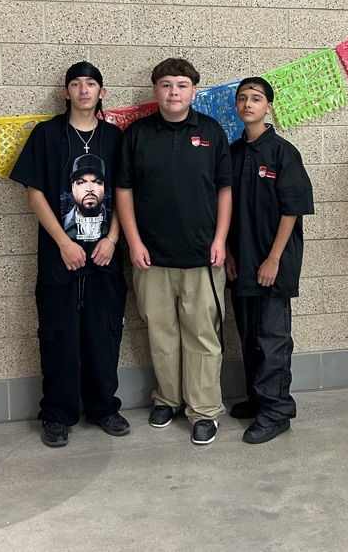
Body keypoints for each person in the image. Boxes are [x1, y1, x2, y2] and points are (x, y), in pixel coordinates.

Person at [10, 61, 129, 448]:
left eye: (91, 84)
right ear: (65, 92)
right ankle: (57, 415)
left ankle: (103, 409)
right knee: (58, 337)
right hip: (59, 258)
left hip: (106, 258)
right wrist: (64, 242)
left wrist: (112, 238)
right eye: (75, 84)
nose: (83, 90)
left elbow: (127, 195)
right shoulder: (46, 135)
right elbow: (34, 193)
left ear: (101, 93)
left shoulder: (116, 138)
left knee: (103, 336)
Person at [116, 58, 232, 446]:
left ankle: (204, 411)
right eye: (166, 85)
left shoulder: (212, 133)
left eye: (181, 85)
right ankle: (167, 398)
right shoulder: (137, 135)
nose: (174, 93)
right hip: (151, 257)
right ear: (155, 91)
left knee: (202, 336)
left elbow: (224, 190)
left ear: (193, 91)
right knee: (161, 335)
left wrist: (220, 240)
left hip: (202, 256)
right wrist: (133, 242)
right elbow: (124, 192)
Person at [225, 77, 314, 444]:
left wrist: (273, 259)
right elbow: (222, 211)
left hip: (273, 263)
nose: (248, 103)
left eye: (256, 98)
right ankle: (258, 399)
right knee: (249, 337)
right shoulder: (230, 153)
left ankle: (277, 411)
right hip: (240, 262)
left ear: (268, 107)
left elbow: (292, 210)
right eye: (243, 98)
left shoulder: (282, 152)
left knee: (272, 337)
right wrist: (229, 254)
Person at [63, 154, 107, 242]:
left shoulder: (111, 224)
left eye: (97, 182)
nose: (89, 189)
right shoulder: (63, 223)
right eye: (81, 182)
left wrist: (111, 240)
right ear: (73, 187)